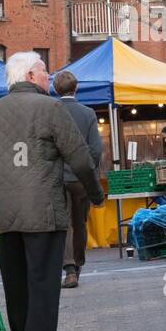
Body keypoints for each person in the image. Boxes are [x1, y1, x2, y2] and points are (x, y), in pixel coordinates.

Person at [0, 52, 104, 331]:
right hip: (44, 211)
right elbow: (81, 158)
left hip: (5, 215)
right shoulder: (51, 109)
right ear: (29, 74)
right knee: (42, 287)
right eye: (44, 71)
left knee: (16, 286)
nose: (48, 76)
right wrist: (96, 195)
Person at [53, 70, 103, 289]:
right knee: (79, 223)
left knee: (63, 224)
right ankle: (78, 265)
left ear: (55, 89)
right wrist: (85, 169)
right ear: (77, 88)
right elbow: (96, 149)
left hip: (56, 178)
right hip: (81, 178)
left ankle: (69, 268)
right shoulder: (88, 113)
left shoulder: (49, 111)